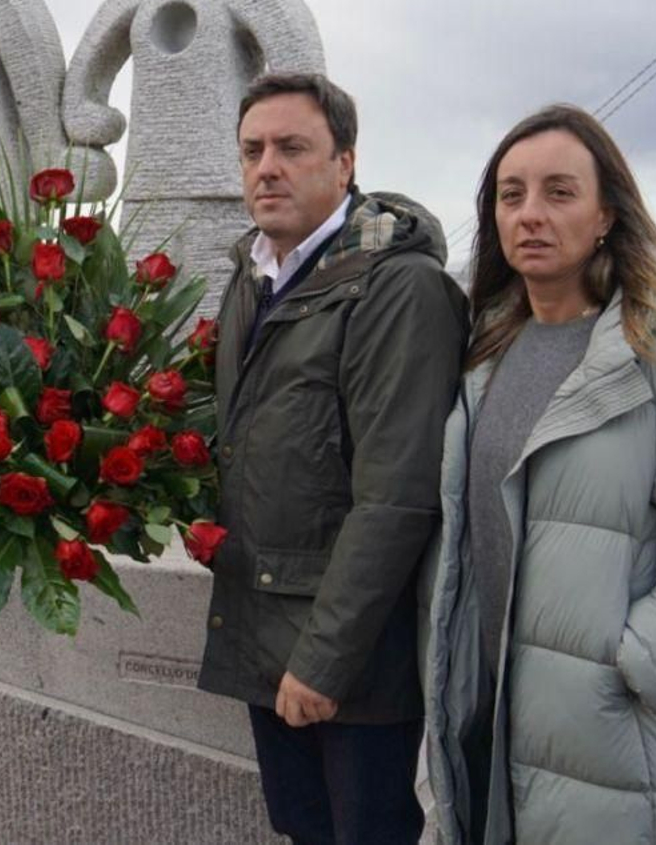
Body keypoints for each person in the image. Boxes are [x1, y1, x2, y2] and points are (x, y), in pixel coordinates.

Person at [422, 105, 656, 843]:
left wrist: (625, 662)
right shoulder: (487, 354)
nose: (531, 213)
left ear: (606, 214)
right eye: (512, 195)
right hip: (497, 725)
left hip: (628, 756)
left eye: (559, 192)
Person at [198, 71, 469, 844]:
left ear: (344, 163)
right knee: (303, 829)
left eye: (292, 147)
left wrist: (324, 661)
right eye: (252, 150)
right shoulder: (255, 277)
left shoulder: (398, 290)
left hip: (353, 662)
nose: (266, 167)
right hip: (270, 628)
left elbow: (398, 496)